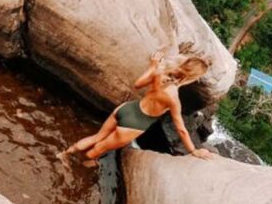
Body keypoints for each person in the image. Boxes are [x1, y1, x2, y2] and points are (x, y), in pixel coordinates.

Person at [59, 49, 217, 167]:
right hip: (134, 125)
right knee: (100, 148)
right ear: (192, 78)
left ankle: (64, 154)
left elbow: (137, 84)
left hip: (126, 109)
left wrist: (153, 65)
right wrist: (193, 151)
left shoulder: (160, 73)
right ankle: (81, 164)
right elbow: (181, 129)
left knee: (96, 138)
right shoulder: (174, 98)